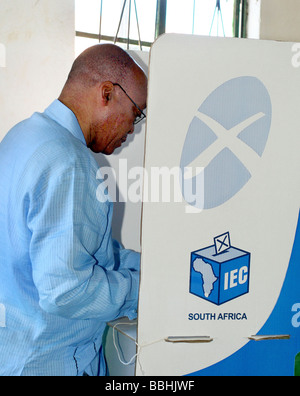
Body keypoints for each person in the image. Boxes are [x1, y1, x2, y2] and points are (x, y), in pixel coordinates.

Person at [0, 44, 148, 376]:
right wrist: (142, 290)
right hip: (48, 362)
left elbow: (83, 251)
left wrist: (154, 268)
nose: (132, 127)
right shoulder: (70, 163)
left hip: (12, 353)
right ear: (107, 94)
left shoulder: (22, 137)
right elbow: (67, 290)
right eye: (136, 112)